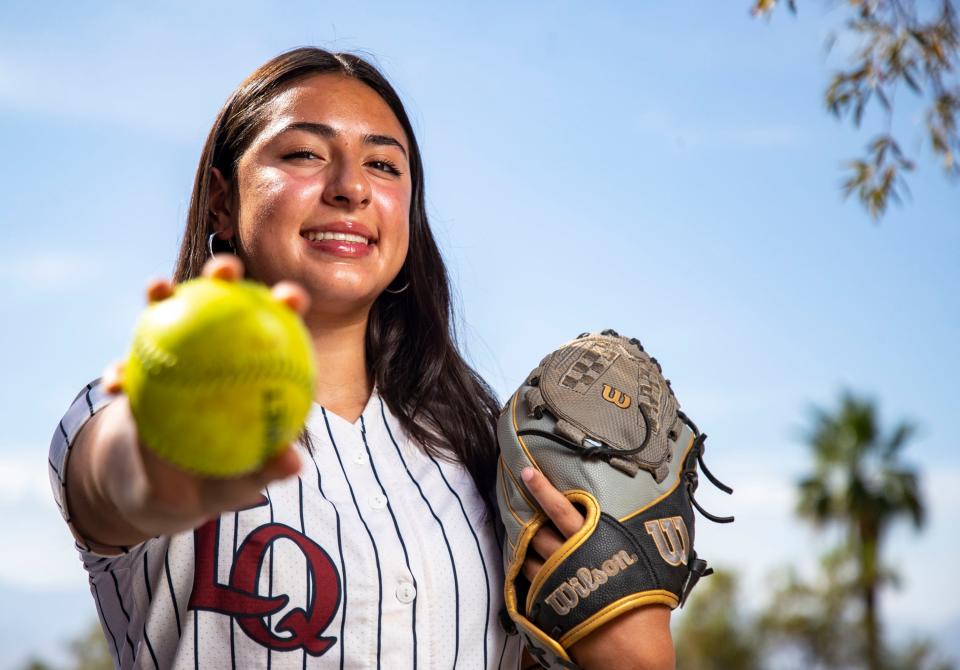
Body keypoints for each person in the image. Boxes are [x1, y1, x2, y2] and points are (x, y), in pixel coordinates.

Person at [48, 47, 675, 669]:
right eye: (304, 154)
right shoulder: (142, 402)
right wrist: (159, 455)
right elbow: (111, 478)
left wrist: (629, 655)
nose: (350, 188)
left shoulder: (488, 452)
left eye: (382, 164)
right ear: (222, 202)